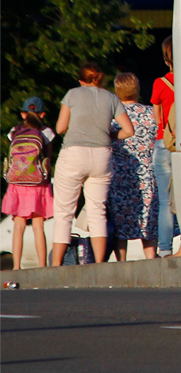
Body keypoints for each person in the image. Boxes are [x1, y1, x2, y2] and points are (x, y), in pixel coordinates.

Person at [51, 63, 133, 267]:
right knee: (97, 210)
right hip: (102, 156)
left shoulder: (72, 94)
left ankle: (56, 264)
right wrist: (111, 135)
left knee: (64, 211)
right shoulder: (111, 97)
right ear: (99, 79)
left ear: (81, 80)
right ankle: (98, 263)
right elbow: (129, 130)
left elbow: (60, 128)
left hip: (73, 153)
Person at [107, 73, 159, 261]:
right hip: (145, 171)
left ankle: (121, 260)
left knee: (120, 219)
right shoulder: (151, 113)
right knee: (147, 216)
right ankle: (151, 256)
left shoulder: (112, 116)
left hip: (118, 173)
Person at [2, 98, 55, 269]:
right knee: (38, 225)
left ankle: (16, 266)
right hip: (38, 183)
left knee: (19, 225)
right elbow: (48, 158)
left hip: (17, 183)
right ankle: (41, 266)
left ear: (23, 114)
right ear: (42, 114)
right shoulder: (46, 132)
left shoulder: (14, 131)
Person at [150, 37, 181, 257]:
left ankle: (164, 249)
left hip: (164, 142)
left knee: (165, 201)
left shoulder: (159, 83)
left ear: (166, 60)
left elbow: (157, 117)